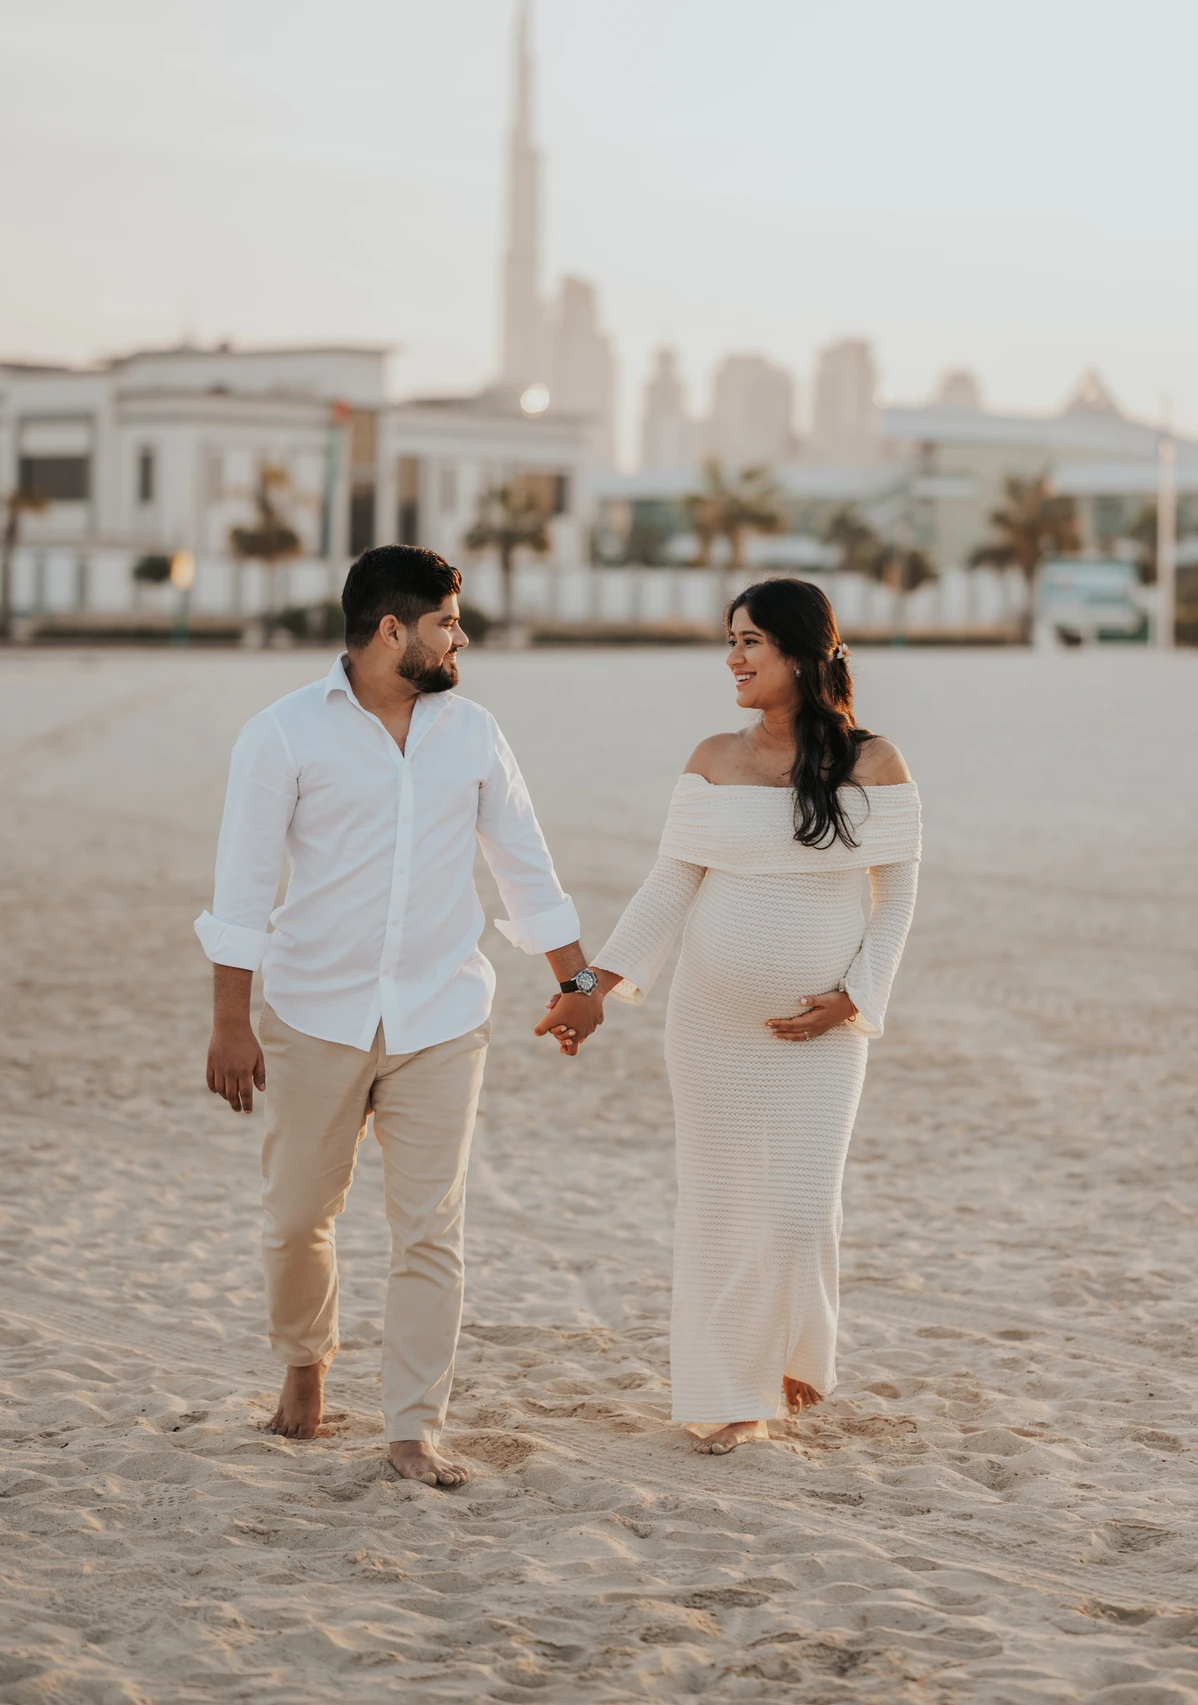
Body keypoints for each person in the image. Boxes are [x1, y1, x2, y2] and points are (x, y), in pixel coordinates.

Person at [197, 545, 603, 1489]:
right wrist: (231, 1022)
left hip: (441, 1014)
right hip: (312, 1013)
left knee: (431, 1228)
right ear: (393, 629)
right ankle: (305, 1367)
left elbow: (524, 866)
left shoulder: (473, 732)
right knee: (299, 1217)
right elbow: (243, 888)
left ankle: (413, 1427)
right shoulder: (283, 734)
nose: (461, 638)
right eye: (447, 623)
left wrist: (577, 985)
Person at [545, 578, 920, 1456]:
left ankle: (792, 1351)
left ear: (802, 651)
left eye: (751, 641)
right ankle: (736, 1393)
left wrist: (856, 997)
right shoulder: (713, 757)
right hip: (710, 1031)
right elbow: (668, 886)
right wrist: (594, 986)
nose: (734, 659)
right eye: (730, 640)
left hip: (823, 1038)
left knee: (796, 1209)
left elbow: (896, 901)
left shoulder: (875, 764)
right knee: (721, 1207)